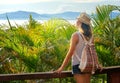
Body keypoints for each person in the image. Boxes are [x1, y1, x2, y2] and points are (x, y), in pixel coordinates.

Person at [54, 12, 92, 83]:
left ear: (80, 22)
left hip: (78, 65)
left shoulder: (76, 35)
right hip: (88, 65)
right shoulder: (90, 36)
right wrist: (97, 64)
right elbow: (92, 52)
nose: (76, 21)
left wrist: (62, 68)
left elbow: (70, 52)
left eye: (77, 20)